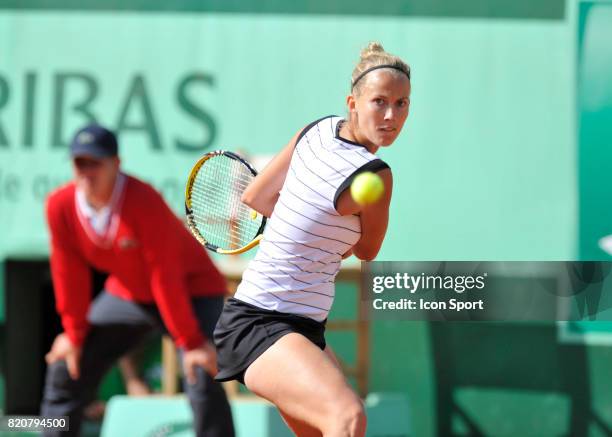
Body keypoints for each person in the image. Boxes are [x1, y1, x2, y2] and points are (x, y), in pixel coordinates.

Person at [213, 42, 411, 437]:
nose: (391, 115)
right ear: (352, 102)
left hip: (303, 327)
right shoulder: (376, 174)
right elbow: (368, 250)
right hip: (260, 322)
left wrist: (299, 222)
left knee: (323, 431)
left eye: (402, 103)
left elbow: (257, 197)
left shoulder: (316, 128)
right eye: (380, 102)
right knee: (347, 417)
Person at [40, 124, 235, 437]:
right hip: (129, 293)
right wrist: (73, 335)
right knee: (65, 364)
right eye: (80, 163)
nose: (87, 172)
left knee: (200, 369)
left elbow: (165, 276)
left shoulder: (143, 201)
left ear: (116, 164)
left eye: (96, 162)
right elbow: (68, 271)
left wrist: (189, 342)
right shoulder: (59, 206)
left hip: (192, 290)